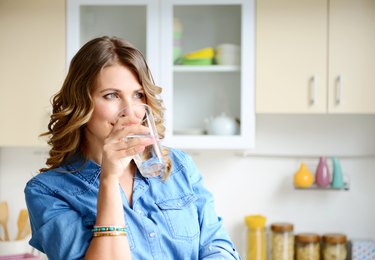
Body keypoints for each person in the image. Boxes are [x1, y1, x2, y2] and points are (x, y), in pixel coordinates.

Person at [24, 36, 240, 260]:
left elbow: (218, 246)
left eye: (138, 95)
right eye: (111, 95)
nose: (131, 110)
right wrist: (108, 179)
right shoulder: (47, 191)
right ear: (80, 103)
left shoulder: (179, 166)